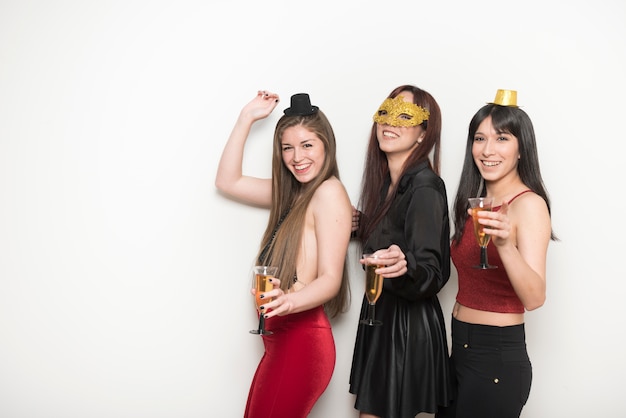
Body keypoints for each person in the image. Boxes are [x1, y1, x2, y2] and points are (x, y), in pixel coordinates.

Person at [215, 91, 352, 418]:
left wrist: (289, 301)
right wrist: (246, 118)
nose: (297, 157)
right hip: (280, 341)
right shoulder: (292, 191)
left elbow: (330, 279)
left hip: (303, 341)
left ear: (325, 146)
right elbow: (227, 181)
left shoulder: (329, 192)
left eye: (307, 145)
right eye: (287, 147)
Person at [436, 89, 556, 418]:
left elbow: (534, 298)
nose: (487, 150)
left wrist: (505, 245)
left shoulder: (528, 205)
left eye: (501, 138)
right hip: (459, 348)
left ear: (521, 149)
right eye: (479, 138)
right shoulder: (475, 206)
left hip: (496, 356)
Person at [349, 85, 453, 417]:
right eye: (386, 112)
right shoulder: (387, 185)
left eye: (405, 116)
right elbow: (397, 233)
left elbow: (432, 272)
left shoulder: (425, 186)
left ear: (424, 134)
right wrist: (363, 226)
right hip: (383, 319)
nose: (390, 122)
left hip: (405, 327)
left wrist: (405, 264)